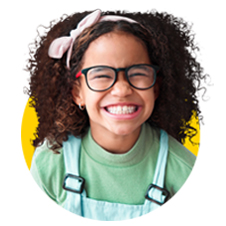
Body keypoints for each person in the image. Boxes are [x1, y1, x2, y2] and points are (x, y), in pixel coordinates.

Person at [27, 9, 205, 221]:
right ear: (77, 92)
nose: (121, 90)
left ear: (156, 88)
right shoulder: (50, 164)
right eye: (101, 75)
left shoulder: (185, 172)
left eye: (138, 73)